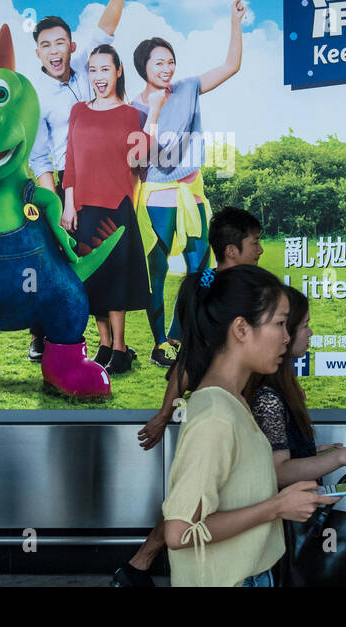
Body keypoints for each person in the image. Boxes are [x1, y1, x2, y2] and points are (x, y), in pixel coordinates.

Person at [112, 205, 265, 587]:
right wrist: (165, 413)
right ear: (232, 250)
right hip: (219, 410)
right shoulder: (214, 290)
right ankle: (141, 565)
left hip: (234, 408)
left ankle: (139, 566)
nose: (260, 250)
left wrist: (166, 413)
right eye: (255, 242)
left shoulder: (216, 284)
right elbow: (189, 357)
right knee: (196, 501)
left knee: (203, 496)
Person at [160, 265, 330, 586]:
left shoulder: (233, 400)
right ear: (241, 329)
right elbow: (180, 532)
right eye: (280, 323)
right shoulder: (215, 416)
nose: (286, 336)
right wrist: (277, 507)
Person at [26, 0, 131, 361]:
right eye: (45, 45)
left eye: (60, 43)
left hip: (107, 179)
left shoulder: (90, 67)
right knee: (57, 258)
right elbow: (39, 157)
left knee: (107, 257)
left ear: (72, 45)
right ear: (37, 51)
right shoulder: (36, 97)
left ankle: (112, 344)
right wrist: (55, 206)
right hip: (68, 185)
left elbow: (107, 24)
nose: (55, 51)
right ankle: (45, 334)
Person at [133, 0, 246, 367]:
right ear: (143, 67)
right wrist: (155, 112)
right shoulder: (133, 108)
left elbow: (231, 66)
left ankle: (179, 336)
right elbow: (143, 157)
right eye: (158, 62)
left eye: (170, 62)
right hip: (156, 198)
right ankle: (158, 343)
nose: (167, 69)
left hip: (192, 194)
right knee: (158, 271)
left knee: (202, 270)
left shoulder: (188, 88)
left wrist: (235, 21)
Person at [60, 44, 163, 373]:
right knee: (93, 279)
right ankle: (104, 345)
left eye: (105, 69)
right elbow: (71, 160)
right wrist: (68, 203)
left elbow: (141, 158)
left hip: (117, 207)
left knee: (115, 280)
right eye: (92, 70)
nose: (98, 76)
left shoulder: (130, 114)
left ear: (118, 72)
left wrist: (155, 115)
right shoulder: (78, 111)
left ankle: (120, 348)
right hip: (83, 207)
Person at [247, 285, 346, 484]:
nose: (310, 333)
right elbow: (278, 472)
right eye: (304, 325)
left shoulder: (281, 389)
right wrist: (339, 457)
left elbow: (285, 456)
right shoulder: (268, 399)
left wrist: (311, 454)